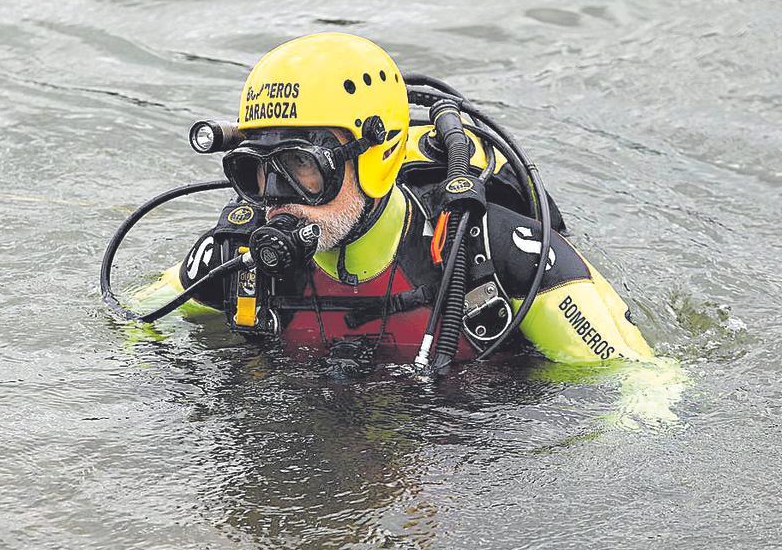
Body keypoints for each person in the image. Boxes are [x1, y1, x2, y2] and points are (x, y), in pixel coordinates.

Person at [145, 32, 655, 370]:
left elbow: (640, 387)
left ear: (376, 157)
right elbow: (132, 323)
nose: (276, 201)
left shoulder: (491, 253)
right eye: (255, 171)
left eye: (303, 167)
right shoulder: (241, 255)